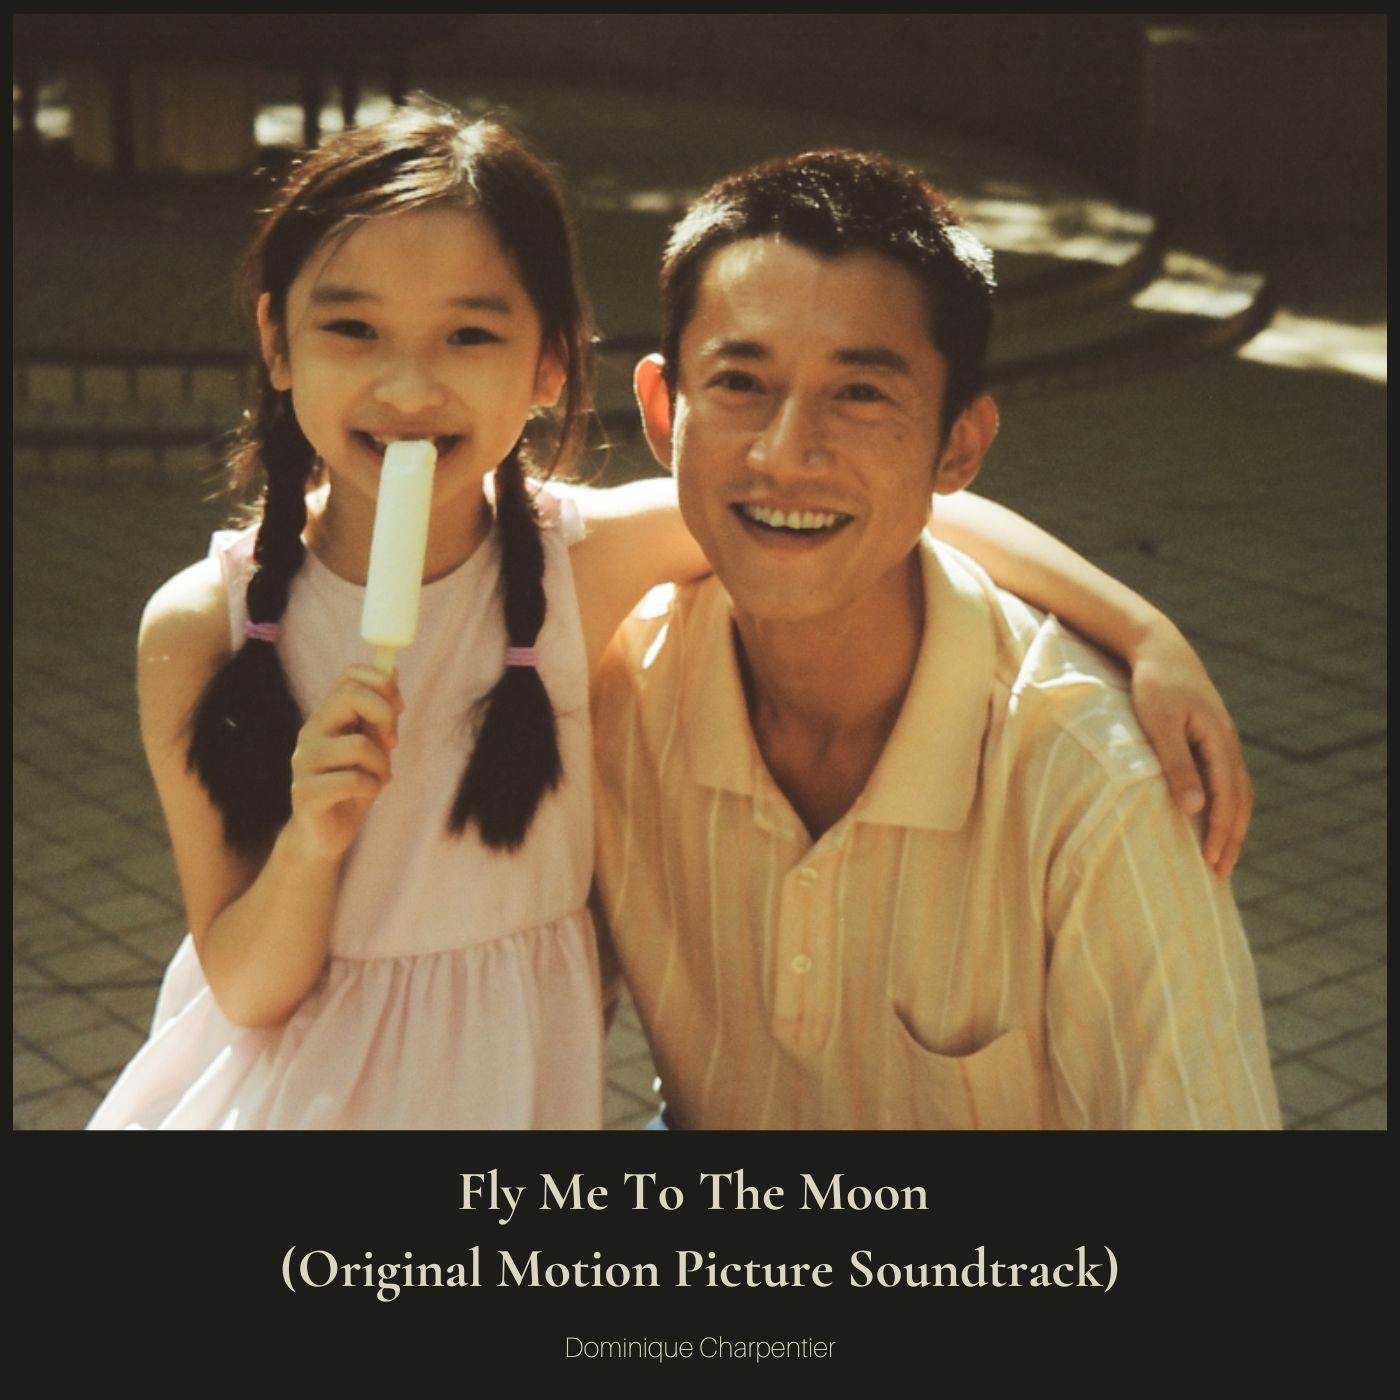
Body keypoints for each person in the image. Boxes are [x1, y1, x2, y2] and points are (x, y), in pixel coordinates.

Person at [90, 102, 1252, 1130]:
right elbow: (245, 986)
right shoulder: (202, 625)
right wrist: (313, 839)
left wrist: (1141, 632)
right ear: (274, 341)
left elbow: (877, 514)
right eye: (352, 329)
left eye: (469, 334)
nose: (406, 385)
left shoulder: (574, 568)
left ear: (550, 365)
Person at [592, 149, 1281, 1130]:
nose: (785, 454)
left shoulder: (1099, 791)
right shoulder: (609, 687)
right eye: (740, 380)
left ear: (958, 444)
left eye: (860, 393)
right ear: (665, 412)